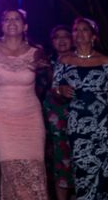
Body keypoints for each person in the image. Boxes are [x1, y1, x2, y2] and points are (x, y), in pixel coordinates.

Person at [54, 17, 108, 199]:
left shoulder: (106, 61)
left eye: (84, 30)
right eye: (76, 30)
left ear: (93, 36)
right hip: (78, 125)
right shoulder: (64, 60)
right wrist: (61, 89)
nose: (80, 33)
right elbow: (55, 89)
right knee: (84, 169)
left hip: (102, 123)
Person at [0, 9, 49, 200]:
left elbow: (42, 63)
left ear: (25, 26)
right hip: (2, 116)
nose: (11, 22)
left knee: (34, 168)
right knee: (11, 169)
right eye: (7, 19)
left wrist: (43, 65)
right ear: (2, 26)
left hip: (30, 116)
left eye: (16, 19)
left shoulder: (36, 51)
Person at [42, 25, 74, 200]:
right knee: (59, 164)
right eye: (57, 37)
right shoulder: (45, 63)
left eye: (66, 36)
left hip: (79, 121)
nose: (62, 40)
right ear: (52, 42)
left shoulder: (83, 61)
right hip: (53, 122)